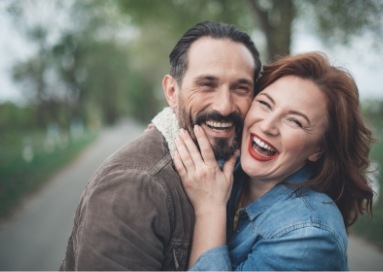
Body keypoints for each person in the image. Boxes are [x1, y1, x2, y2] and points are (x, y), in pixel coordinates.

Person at [59, 21, 261, 271]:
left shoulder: (239, 166)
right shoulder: (133, 187)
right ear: (172, 91)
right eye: (207, 85)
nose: (224, 106)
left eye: (240, 88)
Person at [174, 52, 374, 271]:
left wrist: (210, 209)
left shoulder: (309, 234)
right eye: (265, 104)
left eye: (295, 121)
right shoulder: (232, 165)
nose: (267, 125)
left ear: (318, 149)